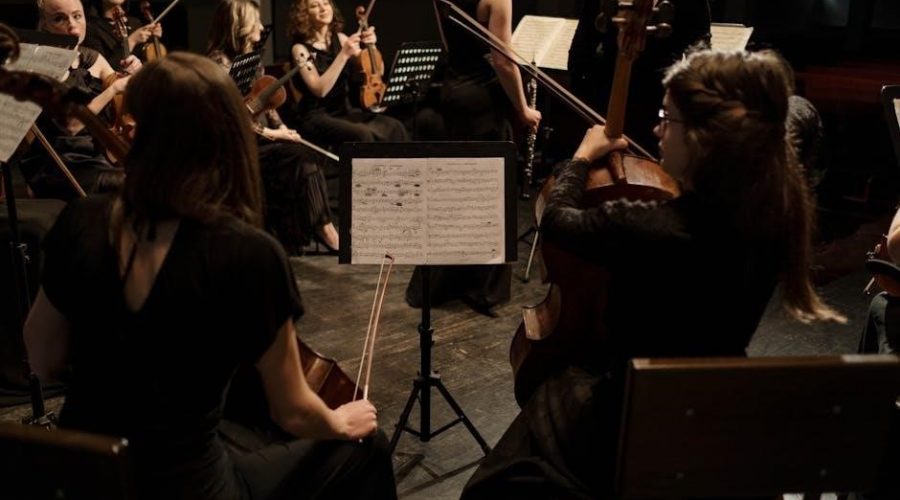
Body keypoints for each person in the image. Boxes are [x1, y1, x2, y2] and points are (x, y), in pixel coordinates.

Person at [461, 49, 844, 499]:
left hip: (629, 425)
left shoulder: (648, 227)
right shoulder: (776, 218)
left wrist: (581, 157)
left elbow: (558, 220)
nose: (658, 129)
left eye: (668, 118)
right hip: (711, 411)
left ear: (702, 139)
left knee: (499, 469)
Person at [23, 52, 397, 499]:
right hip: (187, 486)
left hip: (88, 476)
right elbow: (293, 412)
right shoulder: (249, 253)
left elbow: (42, 358)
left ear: (133, 128)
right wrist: (339, 422)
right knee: (367, 445)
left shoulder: (81, 219)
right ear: (227, 137)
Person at [405, 0, 542, 315]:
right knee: (490, 194)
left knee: (458, 191)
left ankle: (442, 282)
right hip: (482, 100)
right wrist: (523, 110)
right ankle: (482, 289)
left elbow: (451, 45)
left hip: (454, 92)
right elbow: (503, 61)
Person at [208, 0, 339, 253]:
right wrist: (272, 133)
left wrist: (283, 129)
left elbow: (267, 104)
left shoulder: (252, 59)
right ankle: (326, 232)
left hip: (261, 138)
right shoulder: (218, 63)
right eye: (255, 21)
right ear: (240, 25)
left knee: (305, 154)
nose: (261, 27)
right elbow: (231, 118)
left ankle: (318, 229)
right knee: (302, 159)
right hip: (238, 146)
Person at [568, 0, 711, 157]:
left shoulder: (689, 4)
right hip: (604, 102)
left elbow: (699, 56)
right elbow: (578, 60)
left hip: (656, 107)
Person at [20, 0, 133, 200]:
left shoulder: (93, 58)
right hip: (58, 163)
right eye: (59, 19)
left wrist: (135, 73)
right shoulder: (40, 64)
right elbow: (72, 125)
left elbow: (124, 94)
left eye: (77, 16)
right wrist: (113, 89)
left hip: (97, 156)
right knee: (128, 185)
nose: (72, 25)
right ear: (45, 25)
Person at [286, 0, 409, 147]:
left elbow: (377, 70)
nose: (323, 8)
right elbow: (320, 90)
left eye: (326, 3)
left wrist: (371, 45)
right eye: (314, 6)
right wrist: (343, 54)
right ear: (304, 14)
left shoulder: (341, 38)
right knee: (362, 135)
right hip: (315, 116)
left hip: (344, 111)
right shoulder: (299, 49)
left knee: (395, 127)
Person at [82, 0, 161, 73]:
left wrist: (153, 37)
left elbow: (147, 59)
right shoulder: (91, 28)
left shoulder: (135, 22)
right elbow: (100, 70)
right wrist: (131, 41)